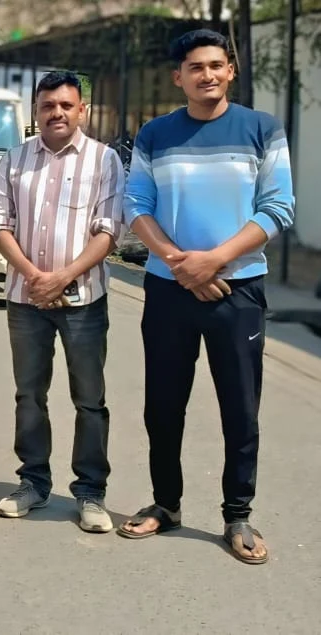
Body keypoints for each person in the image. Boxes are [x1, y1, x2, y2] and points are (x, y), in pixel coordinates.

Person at [120, 29, 294, 565]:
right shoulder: (155, 134)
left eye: (216, 65)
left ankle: (237, 514)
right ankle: (165, 504)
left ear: (231, 70)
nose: (207, 75)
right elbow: (135, 204)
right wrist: (180, 263)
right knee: (163, 405)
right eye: (195, 67)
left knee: (240, 408)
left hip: (237, 290)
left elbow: (278, 206)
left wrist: (213, 261)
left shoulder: (262, 129)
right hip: (169, 289)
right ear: (179, 77)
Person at [0, 71, 125, 533]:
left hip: (84, 300)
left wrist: (61, 277)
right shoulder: (14, 159)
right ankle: (33, 483)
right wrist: (32, 276)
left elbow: (109, 230)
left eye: (66, 105)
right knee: (30, 395)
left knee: (89, 399)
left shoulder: (104, 162)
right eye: (48, 106)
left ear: (81, 109)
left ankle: (90, 493)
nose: (57, 113)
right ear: (36, 110)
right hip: (25, 299)